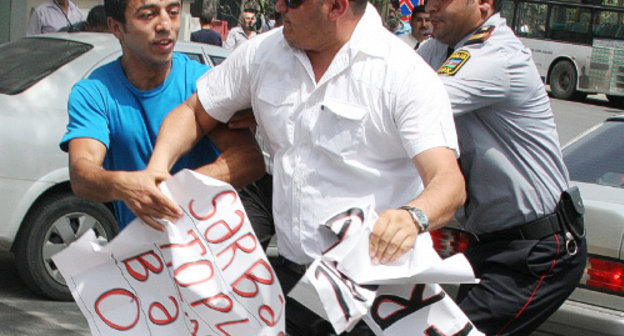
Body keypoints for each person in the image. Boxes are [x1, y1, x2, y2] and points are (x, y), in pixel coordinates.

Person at [146, 0, 466, 334]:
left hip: (375, 297)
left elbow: (448, 182)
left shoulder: (402, 73)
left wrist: (412, 217)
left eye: (292, 1)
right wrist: (157, 168)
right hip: (295, 285)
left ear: (336, 7)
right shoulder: (263, 53)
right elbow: (195, 111)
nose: (279, 7)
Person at [417, 0, 588, 335]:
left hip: (537, 251)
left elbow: (411, 108)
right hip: (490, 244)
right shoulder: (437, 49)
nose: (431, 6)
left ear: (483, 4)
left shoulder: (495, 55)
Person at [59, 0, 264, 231]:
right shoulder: (94, 92)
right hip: (144, 259)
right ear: (116, 27)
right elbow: (82, 174)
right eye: (148, 15)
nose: (166, 24)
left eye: (174, 12)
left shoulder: (204, 83)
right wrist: (122, 185)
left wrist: (175, 189)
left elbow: (249, 159)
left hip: (212, 254)